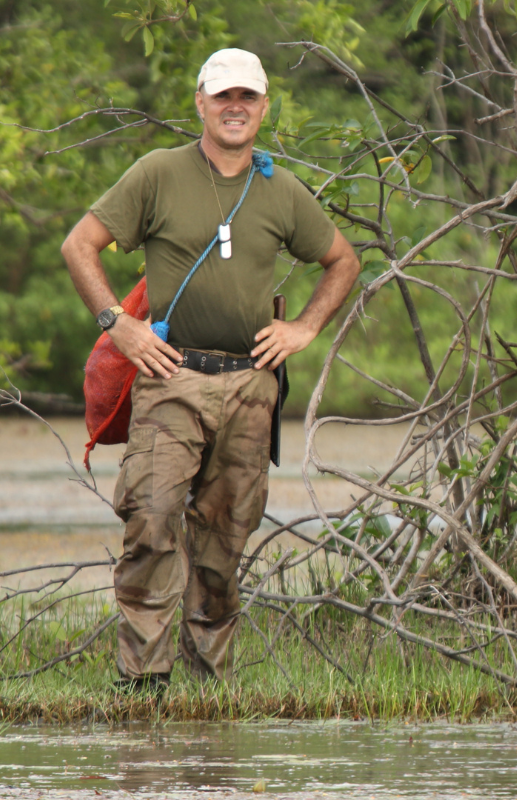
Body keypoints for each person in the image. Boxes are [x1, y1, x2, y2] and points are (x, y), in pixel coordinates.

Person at [61, 48, 360, 690]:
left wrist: (303, 327)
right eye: (222, 96)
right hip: (171, 380)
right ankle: (143, 683)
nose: (234, 107)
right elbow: (79, 245)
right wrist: (120, 323)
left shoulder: (281, 188)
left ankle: (207, 687)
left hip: (252, 384)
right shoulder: (158, 173)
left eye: (246, 97)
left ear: (263, 107)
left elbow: (343, 261)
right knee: (152, 517)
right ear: (199, 102)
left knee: (225, 539)